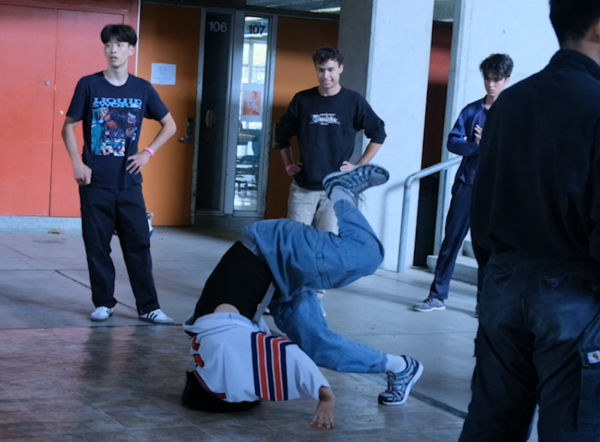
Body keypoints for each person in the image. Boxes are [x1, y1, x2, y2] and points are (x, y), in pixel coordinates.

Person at [182, 164, 423, 427]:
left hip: (272, 247)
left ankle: (340, 191)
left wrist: (325, 395)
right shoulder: (208, 353)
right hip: (277, 285)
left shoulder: (221, 347)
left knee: (367, 256)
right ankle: (402, 367)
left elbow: (286, 353)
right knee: (317, 344)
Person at [459, 1, 600, 440]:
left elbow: (483, 201)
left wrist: (495, 276)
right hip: (574, 294)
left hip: (503, 282)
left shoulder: (510, 102)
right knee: (573, 429)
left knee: (491, 425)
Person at [61, 24, 177, 324]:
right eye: (108, 44)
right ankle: (103, 303)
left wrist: (148, 153)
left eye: (120, 44)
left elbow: (170, 125)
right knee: (97, 246)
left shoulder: (142, 89)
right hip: (94, 182)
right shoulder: (89, 85)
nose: (113, 49)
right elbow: (68, 127)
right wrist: (77, 163)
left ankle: (148, 307)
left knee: (139, 245)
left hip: (128, 182)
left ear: (131, 50)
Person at [414, 54, 513, 313]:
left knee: (488, 248)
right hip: (467, 185)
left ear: (507, 80)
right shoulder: (472, 111)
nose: (491, 84)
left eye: (496, 79)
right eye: (487, 78)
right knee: (451, 242)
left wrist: (489, 142)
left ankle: (484, 303)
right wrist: (478, 146)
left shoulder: (513, 113)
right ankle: (436, 296)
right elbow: (453, 142)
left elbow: (518, 150)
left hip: (496, 190)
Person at [274, 46, 386, 235]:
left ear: (340, 68)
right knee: (295, 241)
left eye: (331, 69)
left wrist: (359, 166)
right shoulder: (302, 100)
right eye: (321, 70)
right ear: (316, 69)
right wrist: (288, 164)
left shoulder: (353, 101)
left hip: (337, 189)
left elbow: (378, 133)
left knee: (330, 242)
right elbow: (282, 133)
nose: (326, 76)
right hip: (304, 187)